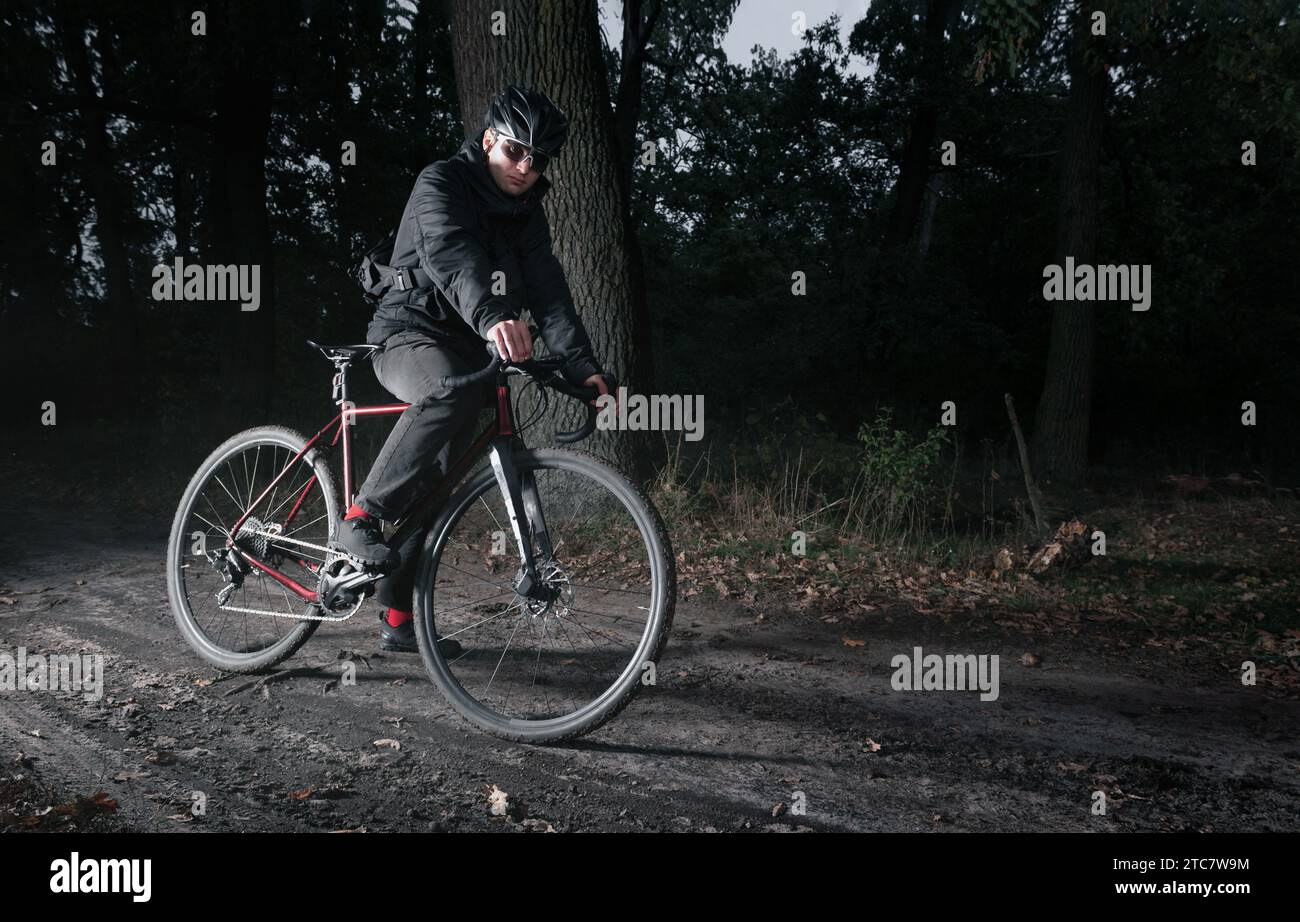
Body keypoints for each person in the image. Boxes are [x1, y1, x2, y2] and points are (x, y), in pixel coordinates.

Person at [337, 85, 611, 652]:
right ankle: (360, 517)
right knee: (442, 391)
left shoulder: (526, 215)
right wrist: (492, 316)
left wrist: (582, 366)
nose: (526, 168)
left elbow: (549, 290)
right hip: (407, 333)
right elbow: (450, 253)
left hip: (474, 349)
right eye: (516, 152)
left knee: (437, 484)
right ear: (489, 140)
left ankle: (394, 619)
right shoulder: (441, 182)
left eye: (538, 161)